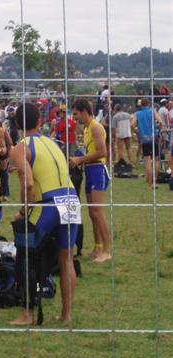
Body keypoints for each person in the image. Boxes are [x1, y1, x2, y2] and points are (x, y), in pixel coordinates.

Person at [10, 102, 79, 325]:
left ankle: (27, 314)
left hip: (48, 203)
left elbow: (28, 183)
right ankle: (66, 314)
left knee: (25, 255)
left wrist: (23, 211)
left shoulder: (20, 147)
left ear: (17, 124)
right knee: (66, 258)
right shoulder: (52, 142)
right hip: (71, 199)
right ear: (40, 121)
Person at [70, 98, 110, 262]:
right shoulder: (86, 129)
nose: (74, 118)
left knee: (98, 213)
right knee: (92, 213)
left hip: (98, 171)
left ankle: (107, 251)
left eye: (76, 114)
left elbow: (103, 152)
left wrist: (80, 159)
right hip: (89, 170)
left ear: (84, 111)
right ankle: (97, 247)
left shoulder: (95, 127)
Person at [132, 98, 163, 190]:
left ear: (141, 105)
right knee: (156, 159)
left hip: (144, 138)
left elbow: (132, 125)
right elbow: (160, 122)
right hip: (154, 137)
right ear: (148, 104)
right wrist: (159, 131)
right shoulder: (153, 111)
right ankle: (155, 181)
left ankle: (149, 184)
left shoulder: (137, 113)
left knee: (147, 160)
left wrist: (137, 133)